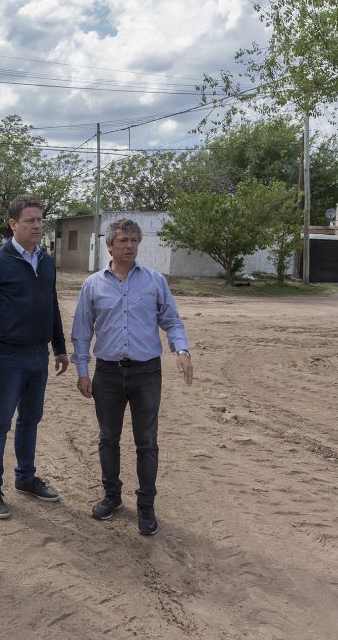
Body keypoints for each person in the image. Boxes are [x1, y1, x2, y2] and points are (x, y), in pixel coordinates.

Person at [70, 218, 193, 536]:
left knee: (147, 442)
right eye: (123, 240)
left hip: (146, 373)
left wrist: (181, 351)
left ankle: (146, 507)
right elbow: (82, 332)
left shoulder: (155, 281)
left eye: (134, 240)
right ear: (109, 245)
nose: (130, 246)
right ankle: (111, 497)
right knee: (108, 438)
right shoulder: (93, 285)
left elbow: (172, 321)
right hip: (108, 375)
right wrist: (83, 371)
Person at [0, 196, 69, 519]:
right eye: (30, 221)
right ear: (13, 224)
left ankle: (25, 478)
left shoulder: (47, 261)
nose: (37, 226)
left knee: (31, 419)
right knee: (0, 423)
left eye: (40, 220)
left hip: (38, 358)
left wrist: (60, 347)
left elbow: (51, 305)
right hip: (7, 358)